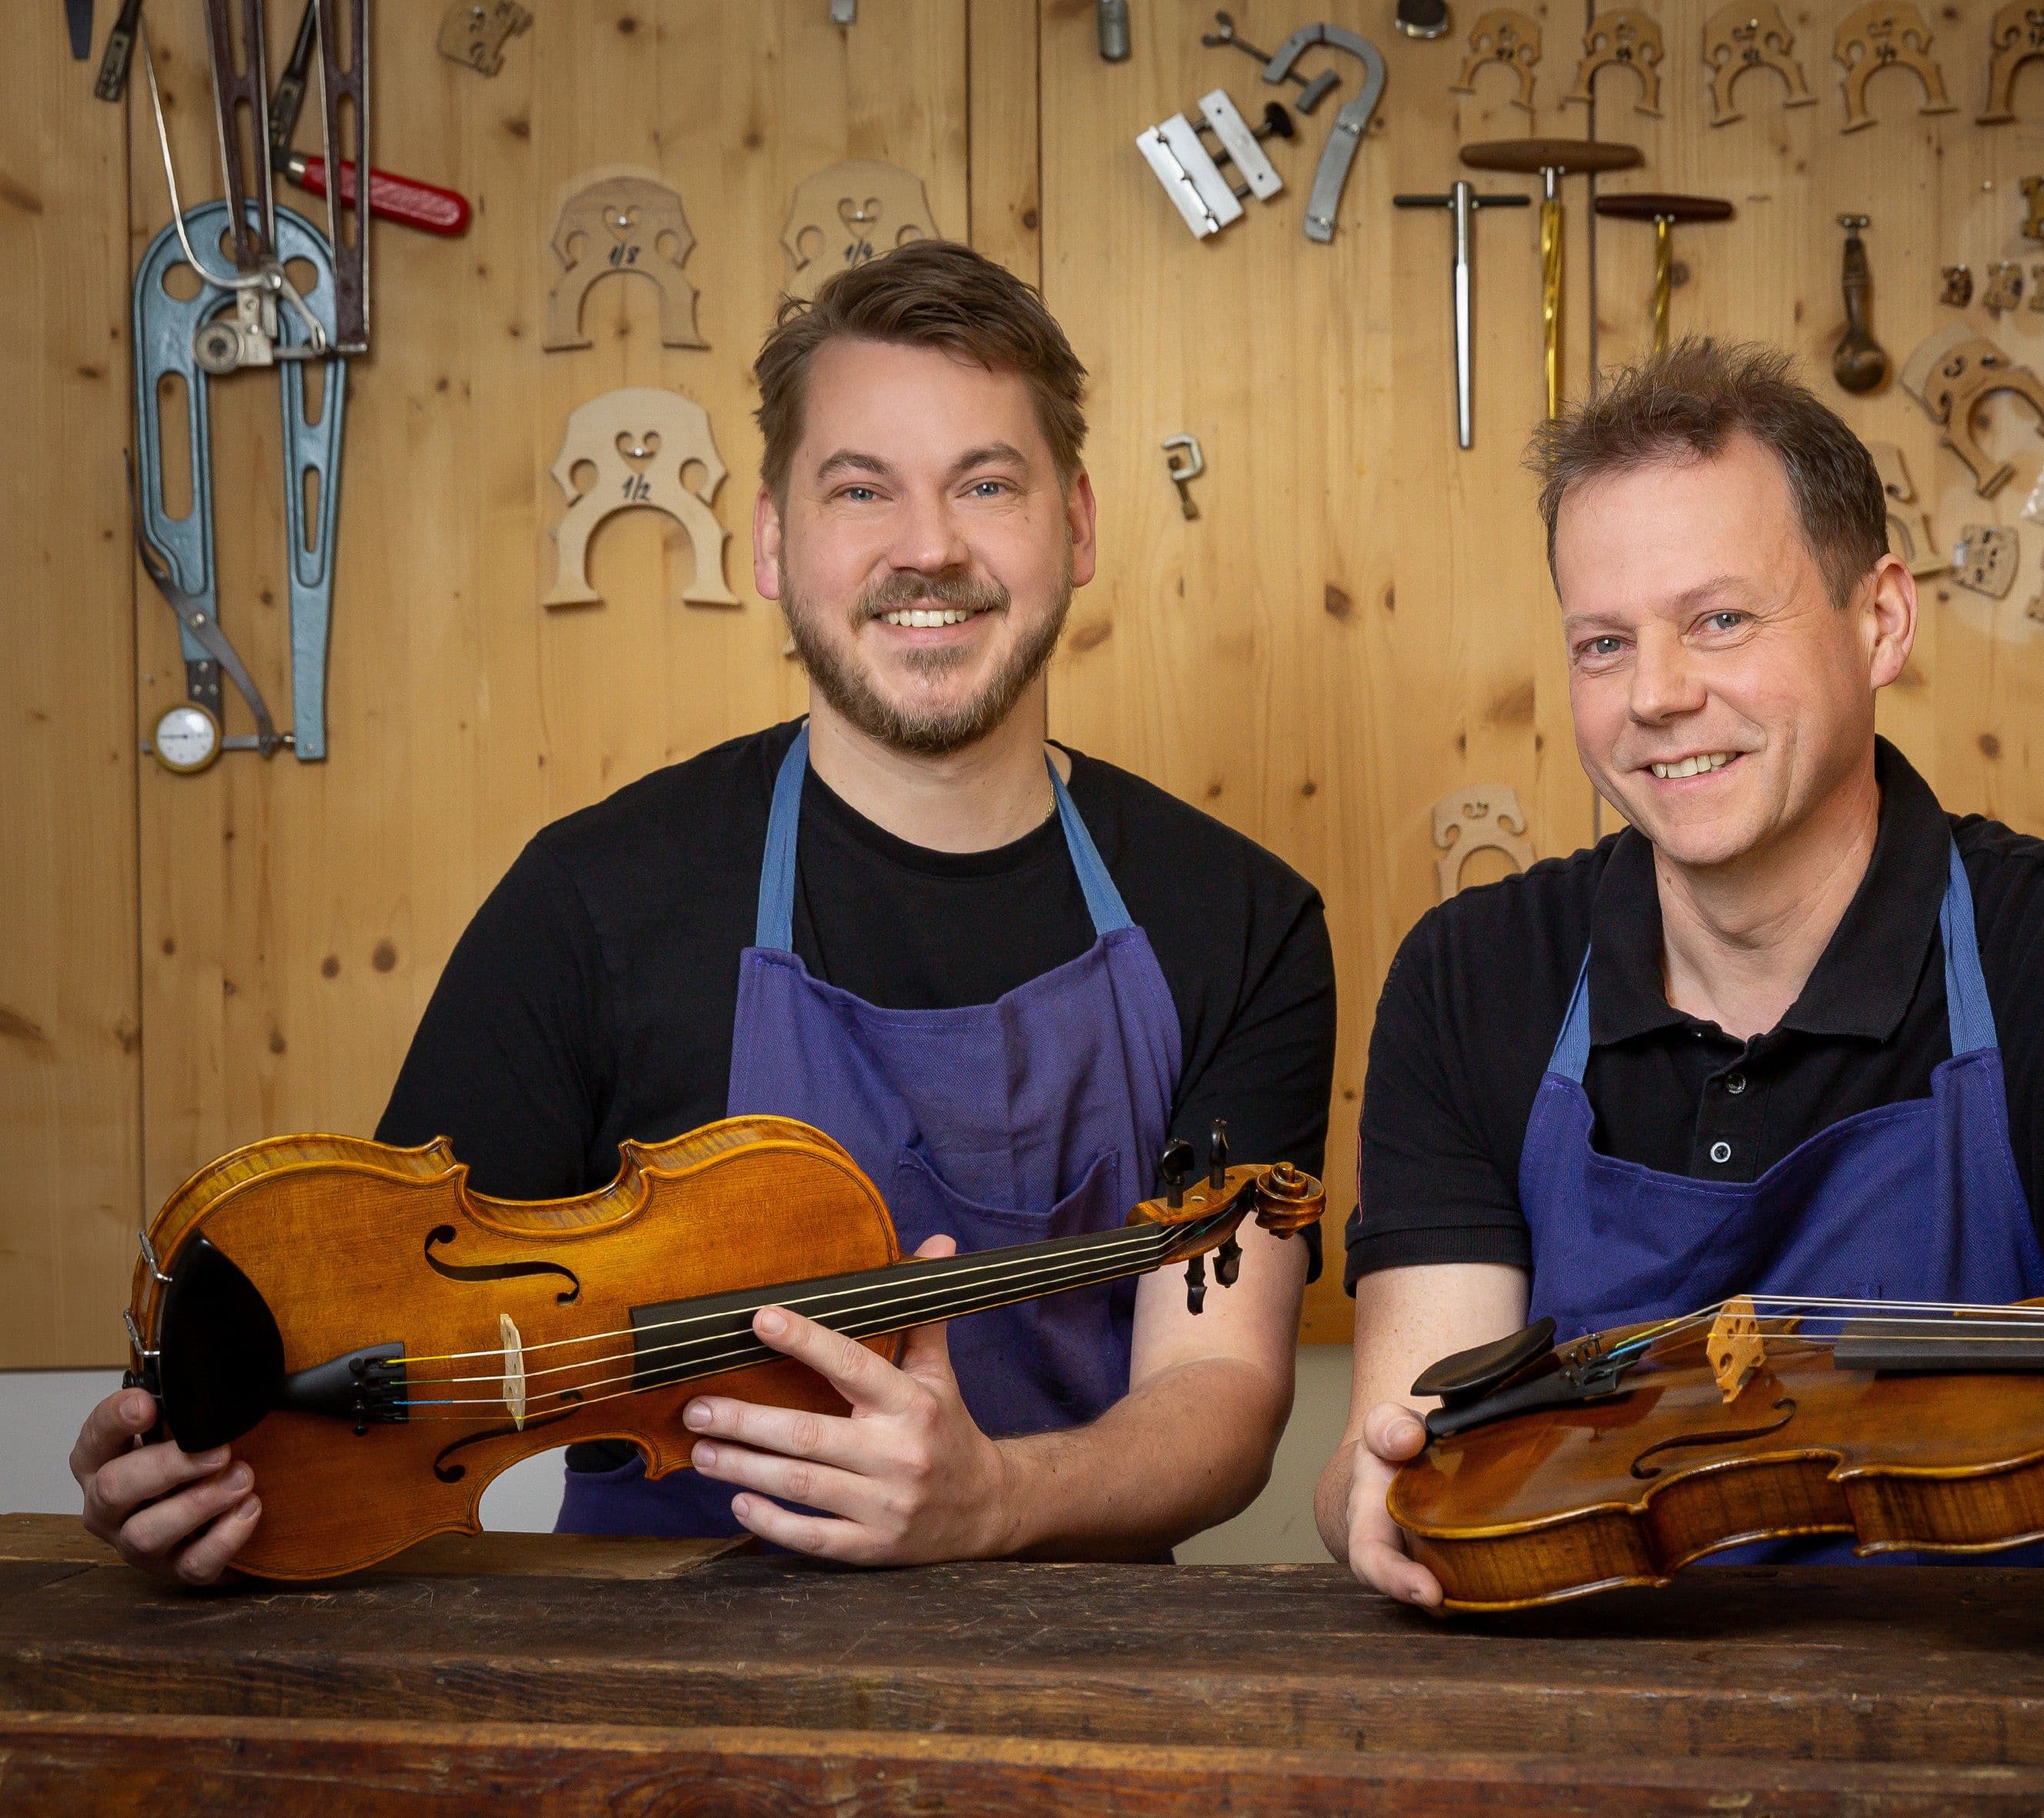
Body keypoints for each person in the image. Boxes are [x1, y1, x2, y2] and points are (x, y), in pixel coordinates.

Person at [75, 240, 1336, 1583]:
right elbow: (378, 1331)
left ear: (1076, 524)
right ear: (773, 542)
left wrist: (996, 1501)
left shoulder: (1237, 919)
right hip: (643, 1666)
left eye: (986, 483)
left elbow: (1218, 1391)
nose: (929, 547)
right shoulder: (591, 901)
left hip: (1078, 1674)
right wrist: (211, 1469)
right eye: (861, 489)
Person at [1320, 342, 2044, 1605]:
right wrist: (1374, 1498)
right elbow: (1410, 1446)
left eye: (1720, 619)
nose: (1655, 694)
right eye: (1603, 643)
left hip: (2036, 1699)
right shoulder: (1472, 977)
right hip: (1602, 1702)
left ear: (1882, 621)